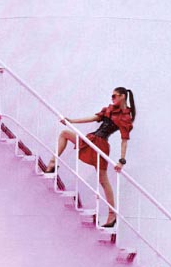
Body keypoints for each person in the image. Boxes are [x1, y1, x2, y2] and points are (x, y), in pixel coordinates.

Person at [43, 87, 136, 227]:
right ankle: (52, 164)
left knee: (103, 180)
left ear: (123, 96)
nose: (112, 98)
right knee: (64, 133)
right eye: (111, 96)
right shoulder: (109, 109)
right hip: (92, 139)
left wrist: (121, 161)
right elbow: (93, 118)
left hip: (101, 145)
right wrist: (72, 121)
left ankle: (112, 215)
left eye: (114, 96)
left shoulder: (125, 117)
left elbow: (124, 140)